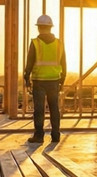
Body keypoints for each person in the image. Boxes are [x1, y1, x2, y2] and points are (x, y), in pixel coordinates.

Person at [23, 14, 66, 144]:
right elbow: (64, 64)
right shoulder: (59, 44)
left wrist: (26, 79)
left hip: (39, 81)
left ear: (39, 28)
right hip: (54, 80)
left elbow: (29, 63)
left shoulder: (35, 43)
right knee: (54, 108)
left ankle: (39, 135)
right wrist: (62, 81)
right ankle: (56, 135)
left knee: (39, 109)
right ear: (50, 27)